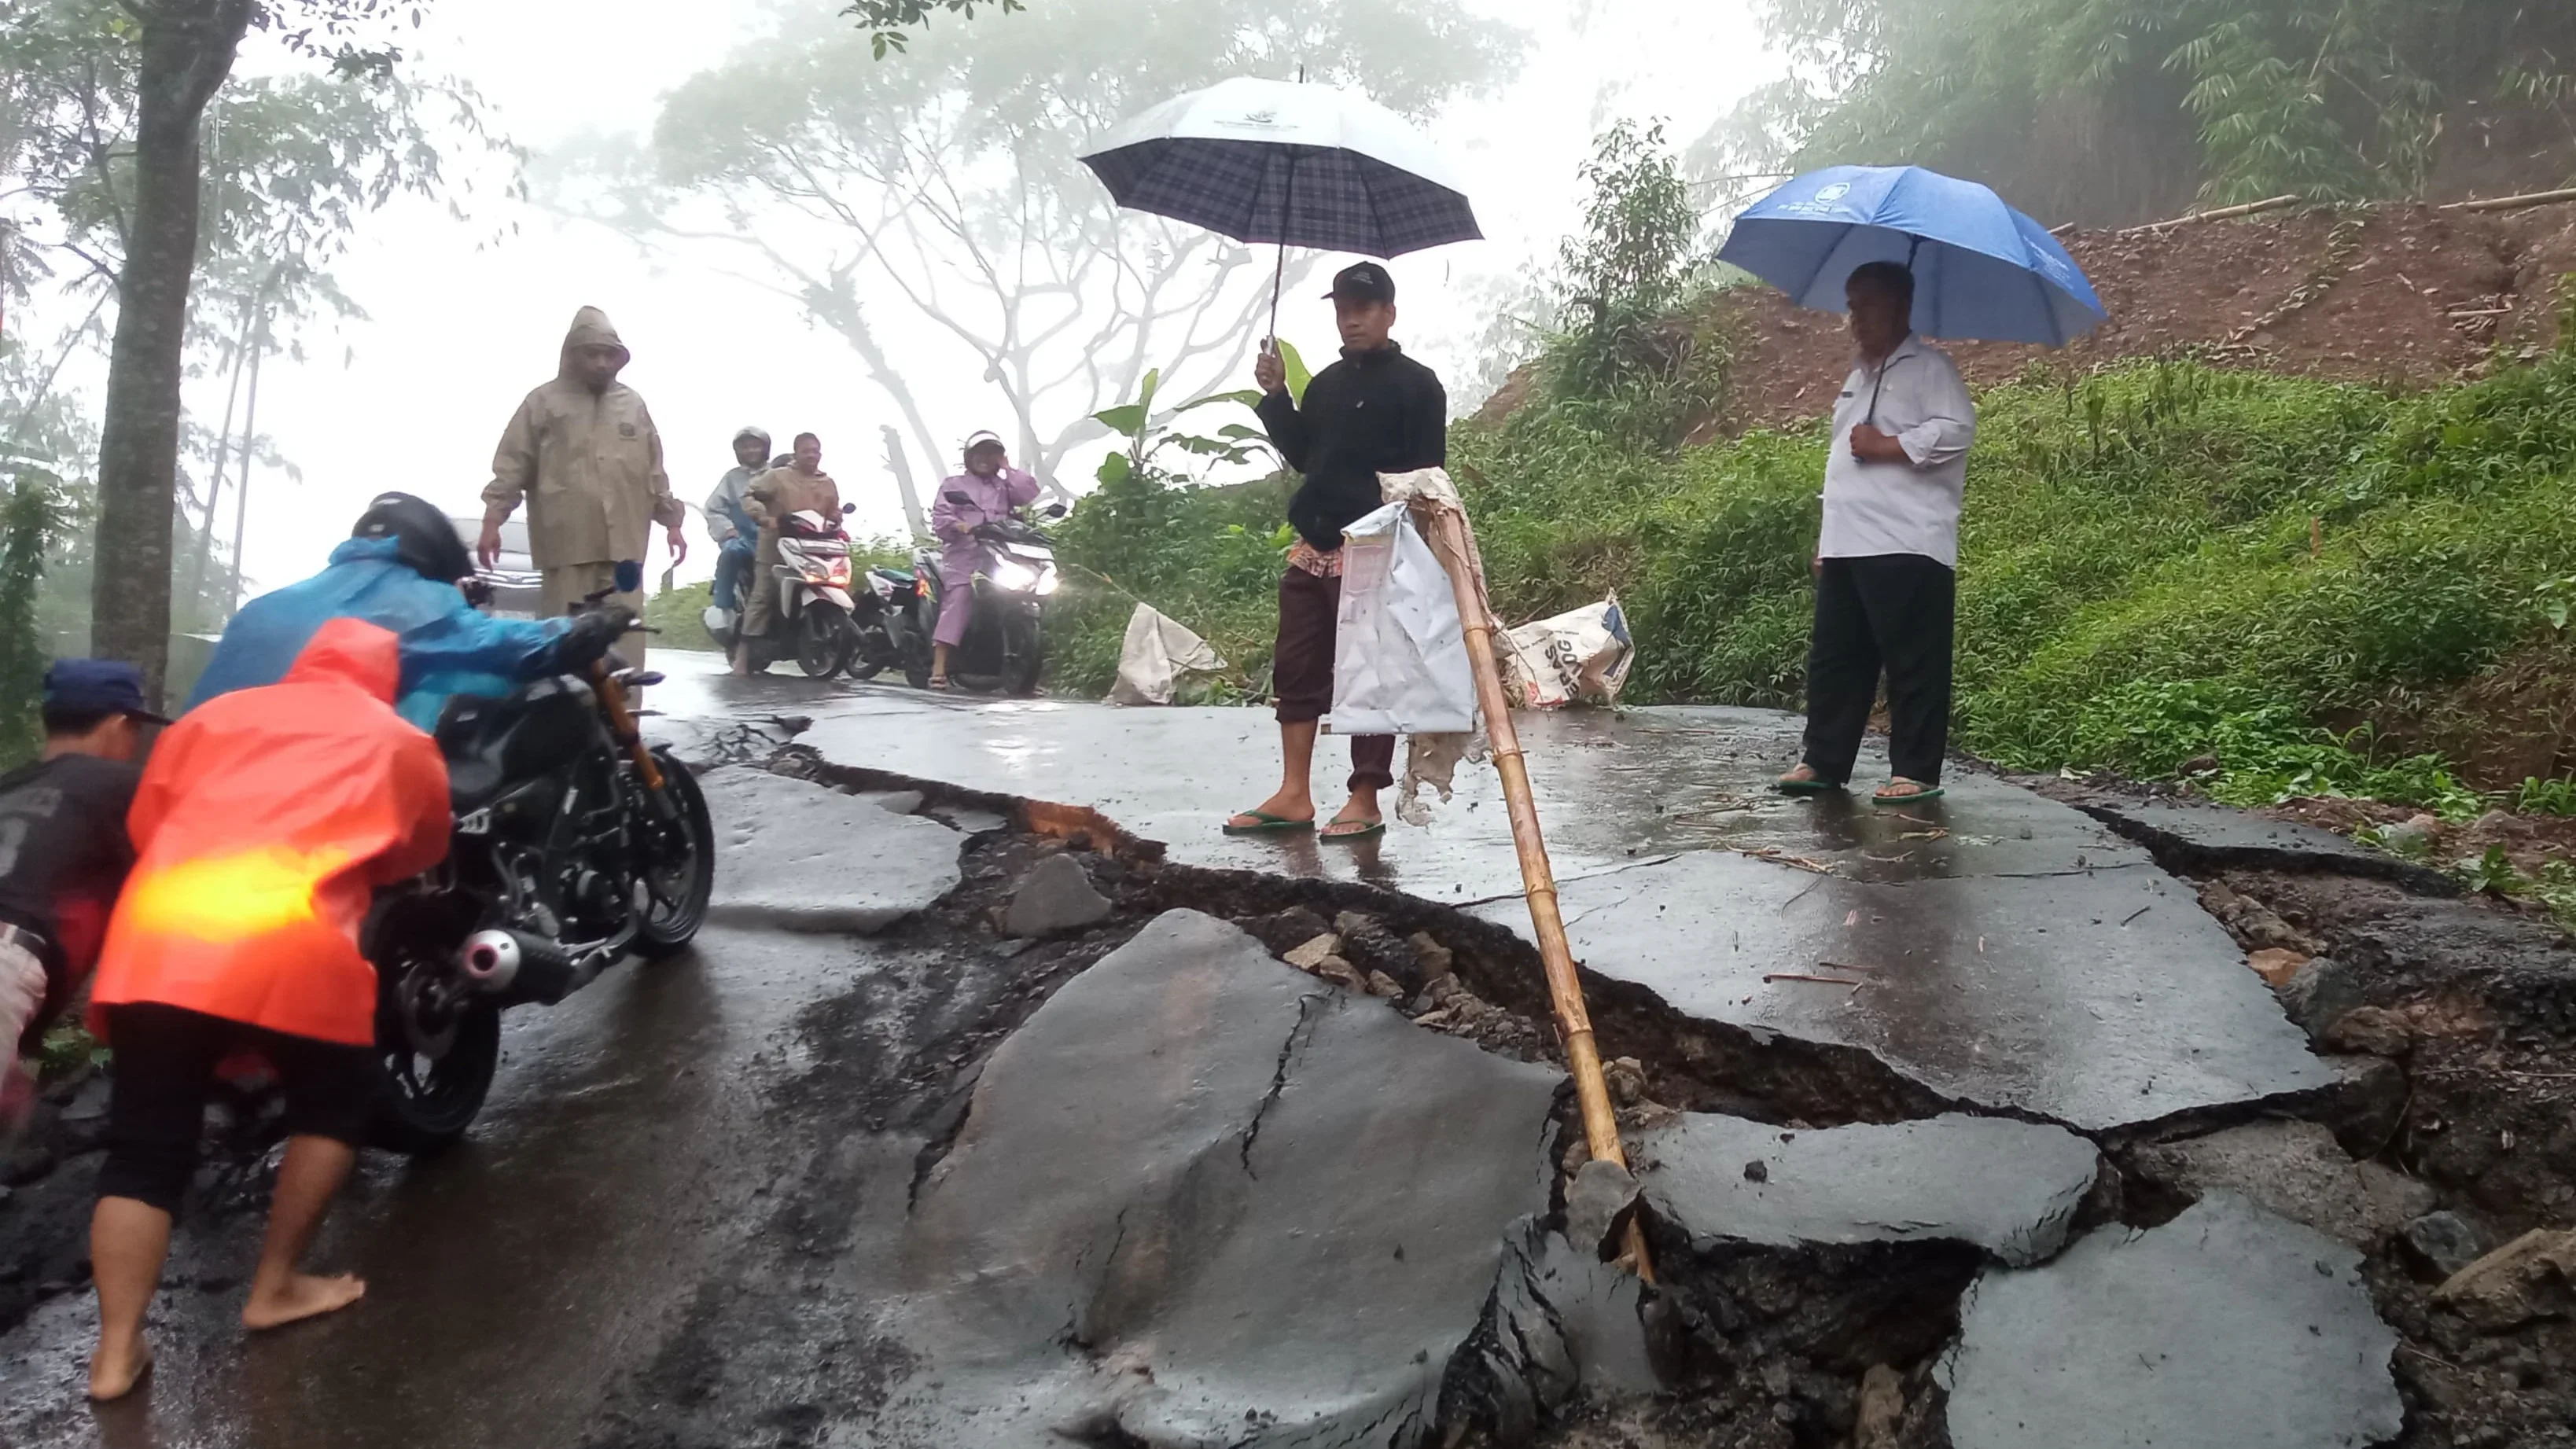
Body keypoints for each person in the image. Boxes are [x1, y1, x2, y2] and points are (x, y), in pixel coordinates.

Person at [83, 619, 452, 1401]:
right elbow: (420, 850)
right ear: (382, 677)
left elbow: (151, 824)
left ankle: (115, 1355)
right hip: (292, 937)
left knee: (145, 1149)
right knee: (335, 1105)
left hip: (160, 937)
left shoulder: (209, 719)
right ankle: (276, 1284)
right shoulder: (401, 740)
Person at [1231, 262, 1448, 842]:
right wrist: (1276, 396)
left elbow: (1428, 478)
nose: (1351, 318)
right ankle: (1294, 793)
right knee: (1297, 666)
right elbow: (1306, 456)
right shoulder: (1324, 385)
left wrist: (1412, 554)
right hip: (1314, 546)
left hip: (1377, 551)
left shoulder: (1418, 385)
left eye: (1364, 308)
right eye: (1343, 307)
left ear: (1389, 314)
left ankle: (1363, 796)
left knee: (1371, 676)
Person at [1776, 261, 1978, 805]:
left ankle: (1915, 769)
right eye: (1851, 305)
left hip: (1906, 541)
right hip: (1848, 543)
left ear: (1900, 307)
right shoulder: (1857, 378)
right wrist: (1827, 536)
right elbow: (1839, 464)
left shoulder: (1930, 368)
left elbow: (1959, 429)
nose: (1855, 319)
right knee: (1836, 659)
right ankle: (1823, 759)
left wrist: (1889, 444)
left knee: (1913, 661)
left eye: (1866, 304)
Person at [189, 494, 586, 734]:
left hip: (196, 800)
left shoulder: (263, 608)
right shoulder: (416, 606)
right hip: (311, 809)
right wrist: (577, 629)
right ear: (436, 560)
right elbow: (498, 644)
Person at [0, 663, 163, 1127]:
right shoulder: (123, 787)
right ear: (119, 724)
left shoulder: (9, 786)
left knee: (15, 1109)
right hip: (8, 956)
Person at [477, 306, 686, 667]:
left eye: (609, 354)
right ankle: (565, 719)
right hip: (566, 544)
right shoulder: (542, 402)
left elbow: (654, 469)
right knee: (566, 636)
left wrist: (673, 523)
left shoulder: (632, 404)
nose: (602, 363)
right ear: (572, 354)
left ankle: (624, 719)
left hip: (625, 547)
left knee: (626, 634)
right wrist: (493, 519)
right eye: (592, 353)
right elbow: (513, 463)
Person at [925, 432, 1040, 690]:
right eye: (980, 453)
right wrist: (960, 525)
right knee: (960, 599)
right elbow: (941, 518)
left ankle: (1026, 670)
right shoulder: (954, 484)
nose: (985, 459)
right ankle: (939, 666)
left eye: (992, 453)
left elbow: (1028, 493)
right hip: (965, 555)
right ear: (969, 457)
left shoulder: (1004, 486)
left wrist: (1008, 467)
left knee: (1026, 594)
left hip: (1001, 554)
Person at [732, 432, 843, 675]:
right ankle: (742, 656)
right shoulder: (777, 477)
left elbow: (834, 511)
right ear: (796, 454)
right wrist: (763, 517)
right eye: (806, 451)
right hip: (775, 545)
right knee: (763, 596)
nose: (812, 455)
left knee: (835, 583)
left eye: (815, 450)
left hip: (815, 547)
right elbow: (749, 494)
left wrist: (836, 517)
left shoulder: (827, 483)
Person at [705, 425, 771, 617]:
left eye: (755, 446)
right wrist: (728, 530)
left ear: (765, 448)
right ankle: (722, 607)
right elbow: (713, 508)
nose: (751, 451)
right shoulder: (732, 478)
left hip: (774, 536)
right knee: (731, 551)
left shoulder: (778, 473)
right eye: (745, 447)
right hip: (744, 537)